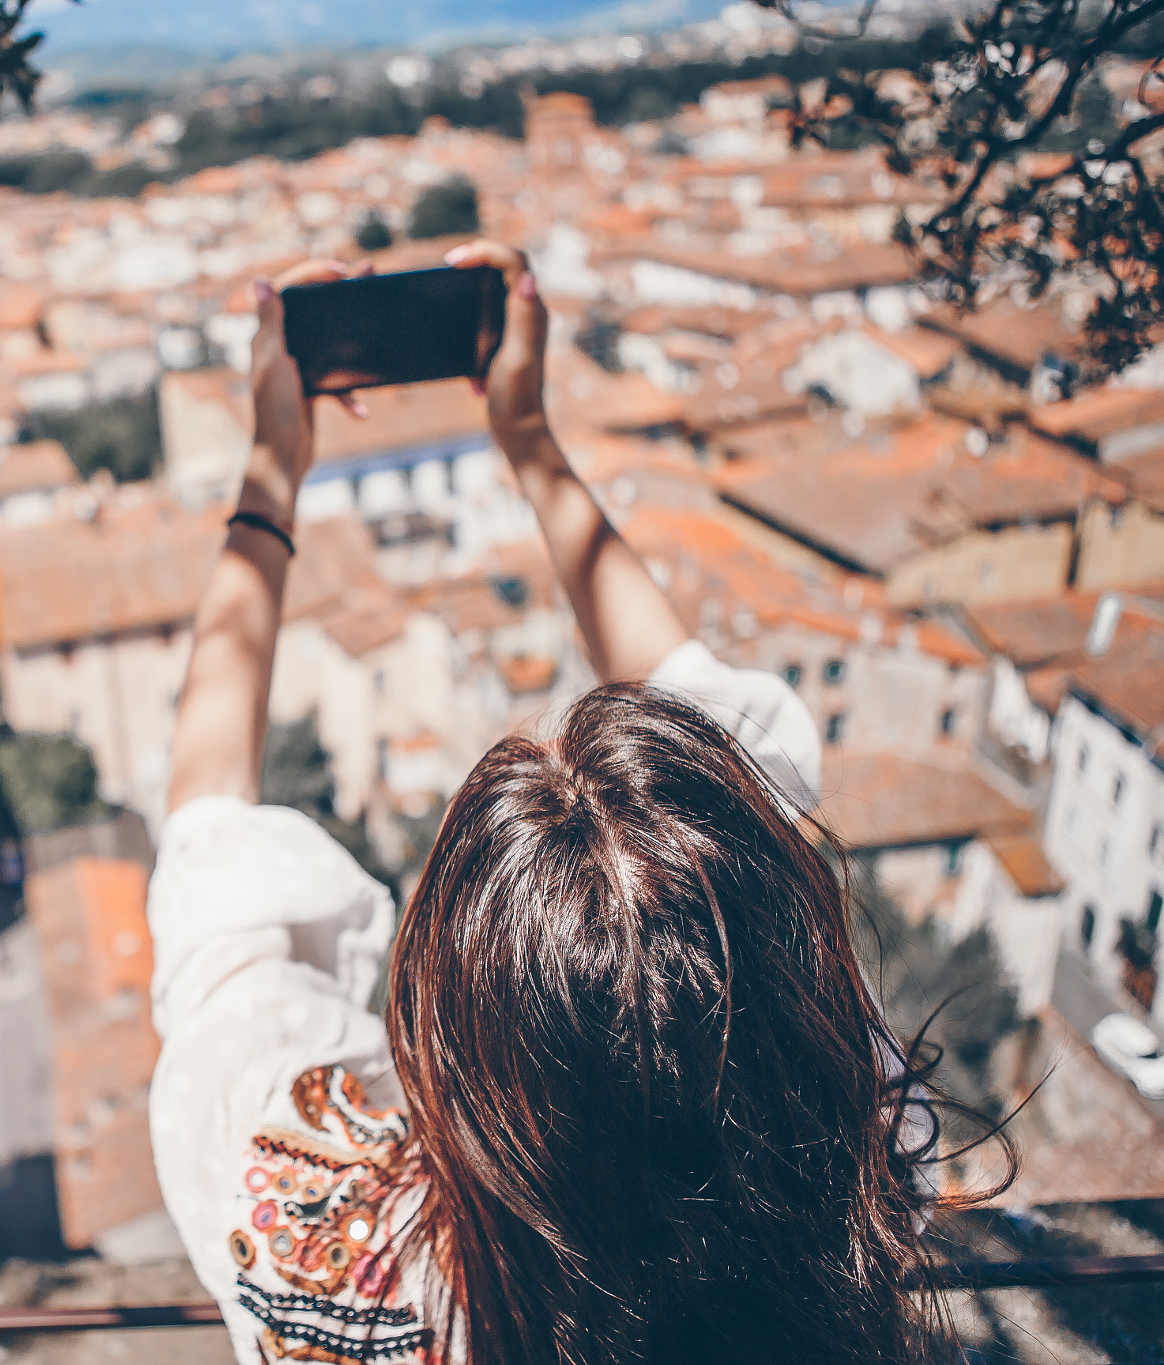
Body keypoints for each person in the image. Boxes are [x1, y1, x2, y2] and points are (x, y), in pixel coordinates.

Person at [148, 240, 964, 1365]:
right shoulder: (852, 1164)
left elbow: (204, 837)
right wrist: (527, 439)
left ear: (449, 1025)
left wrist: (274, 463)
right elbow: (740, 789)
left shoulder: (323, 1248)